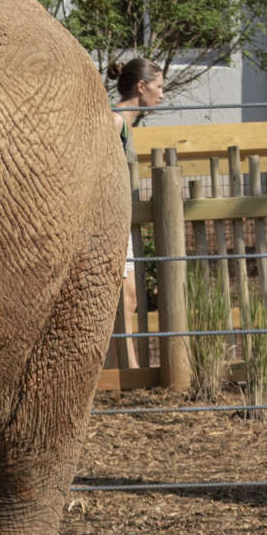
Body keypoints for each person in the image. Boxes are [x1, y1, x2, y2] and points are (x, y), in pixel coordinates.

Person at [107, 58, 163, 369]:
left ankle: (121, 372)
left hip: (122, 221)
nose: (162, 94)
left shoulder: (125, 123)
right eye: (159, 86)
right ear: (141, 87)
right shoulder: (115, 121)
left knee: (128, 299)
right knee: (125, 299)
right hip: (111, 222)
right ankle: (125, 373)